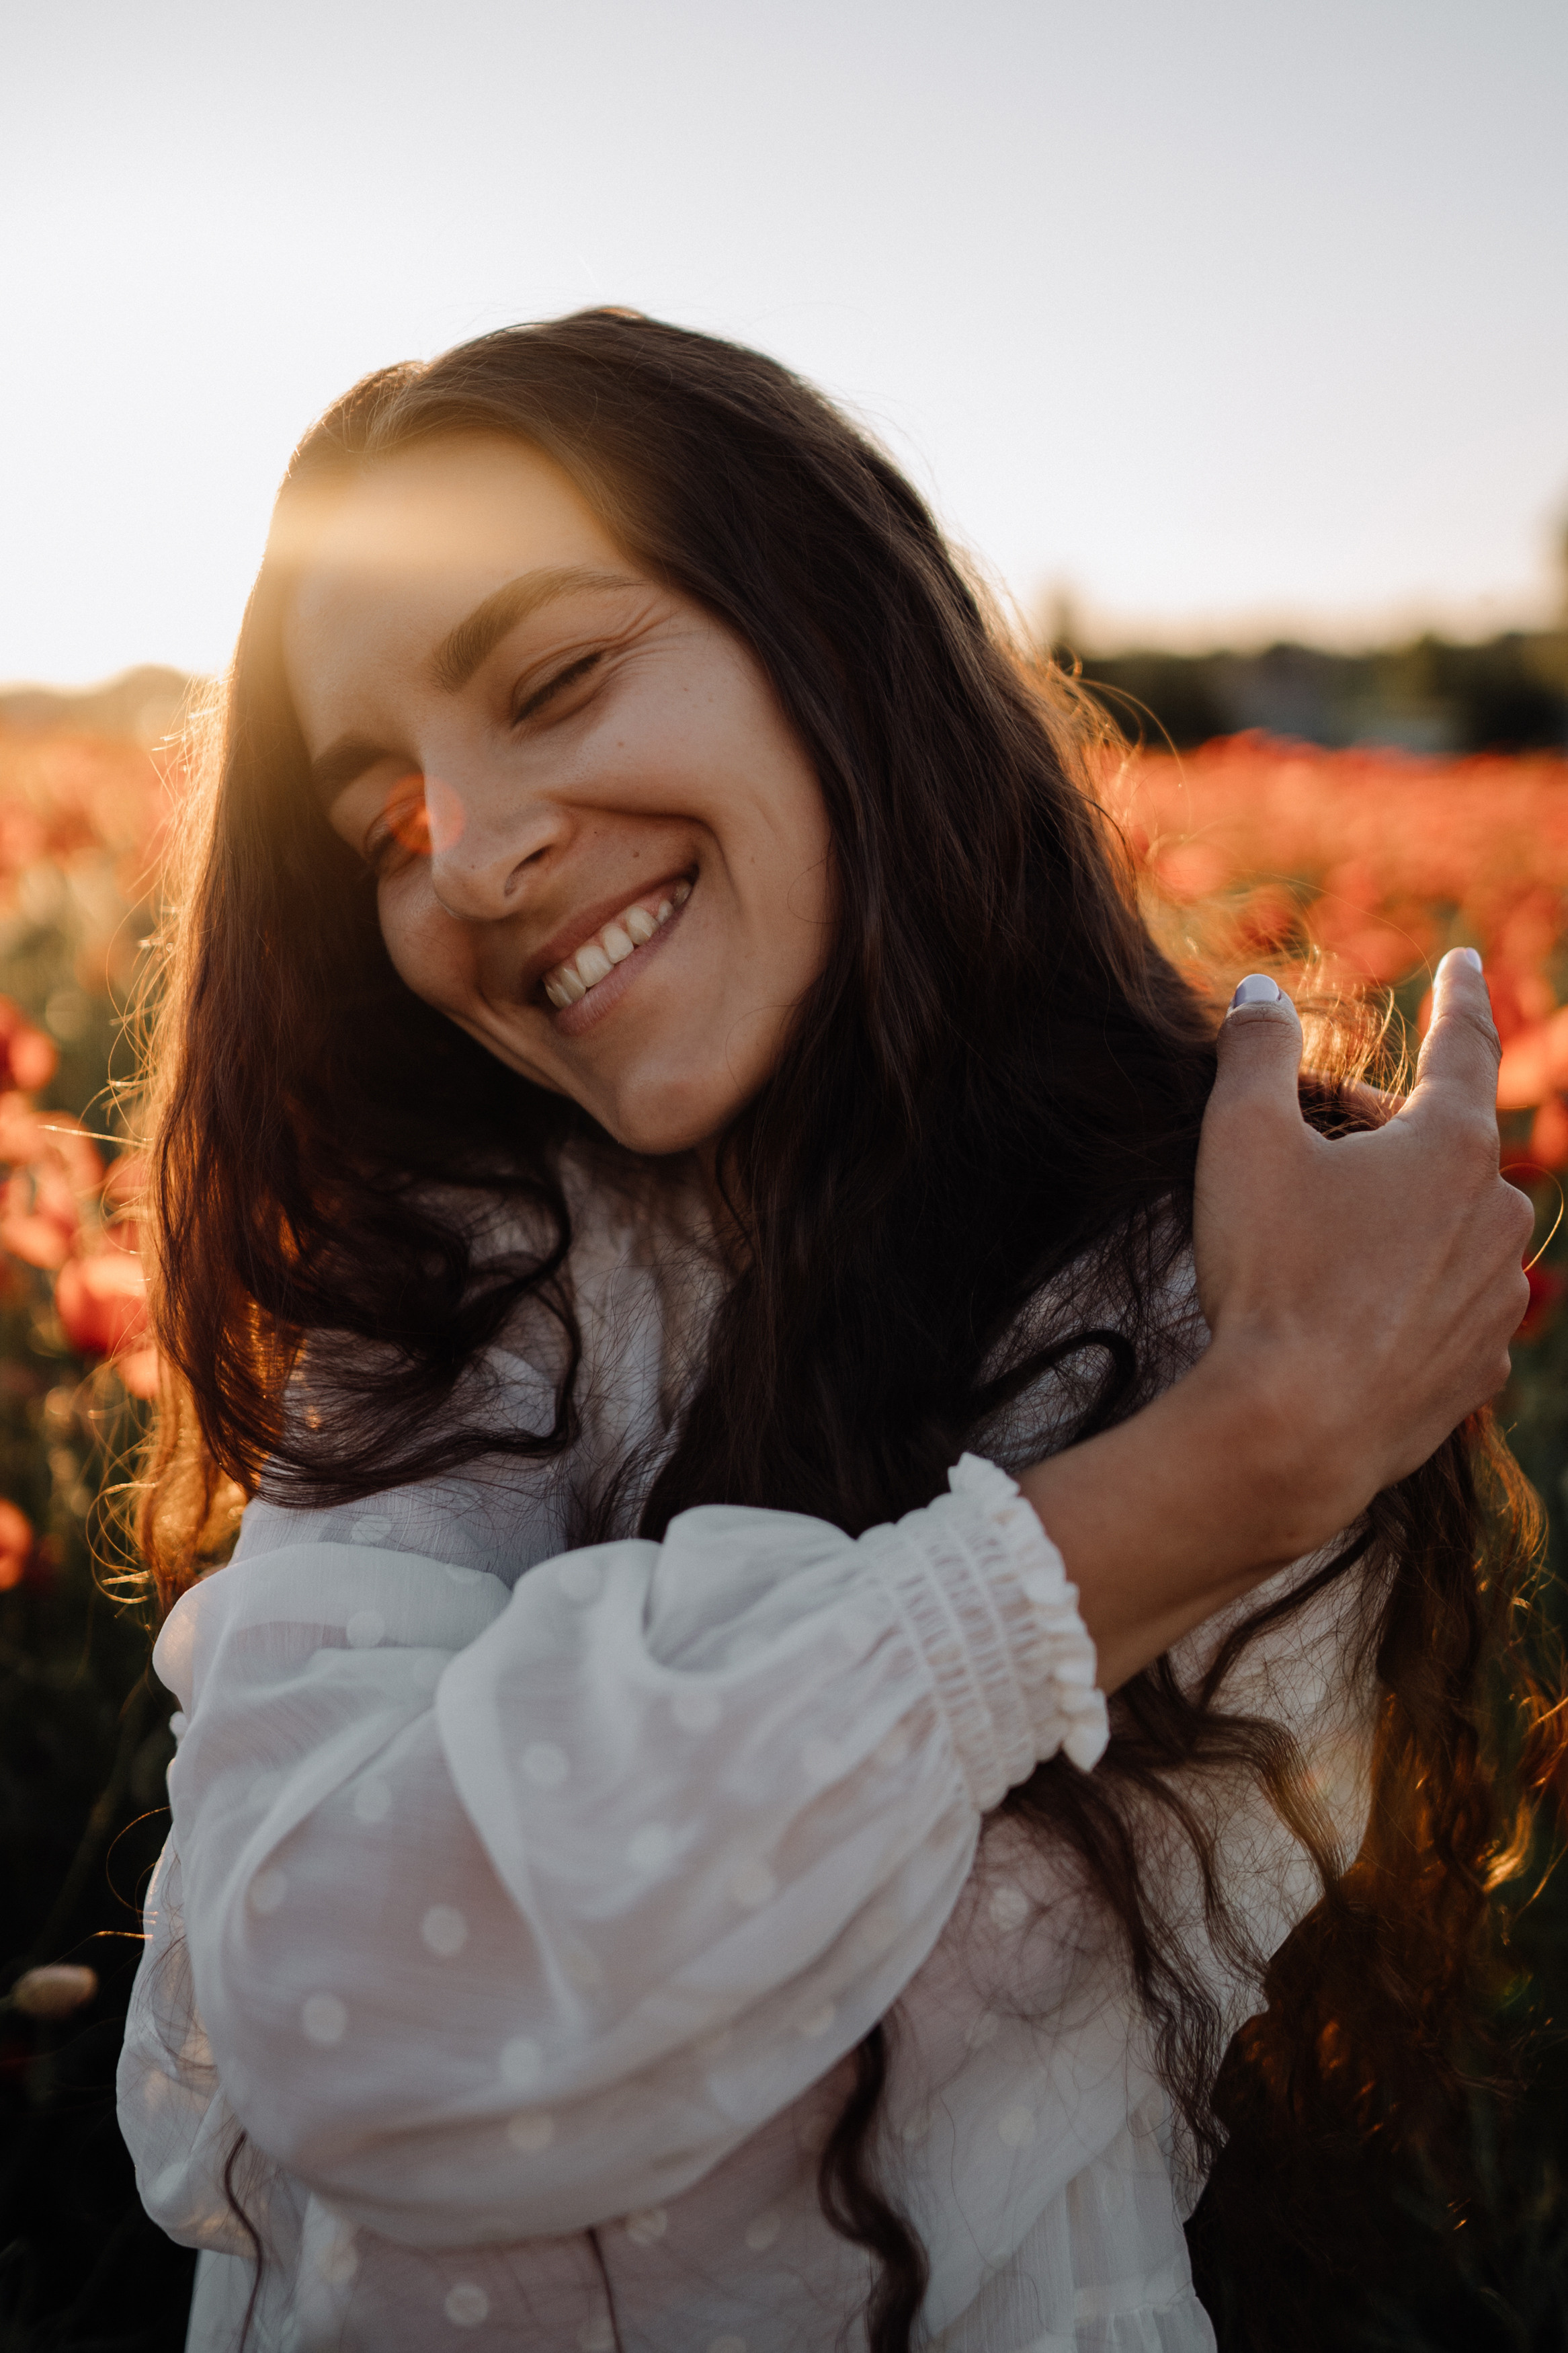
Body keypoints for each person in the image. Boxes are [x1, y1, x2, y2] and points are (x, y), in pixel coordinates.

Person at [117, 311, 1550, 2353]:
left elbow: (775, 2153)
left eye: (555, 677)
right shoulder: (451, 1281)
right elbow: (339, 2013)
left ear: (824, 634)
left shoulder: (1220, 1265)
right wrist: (1225, 1470)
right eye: (379, 829)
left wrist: (1274, 1415)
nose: (477, 847)